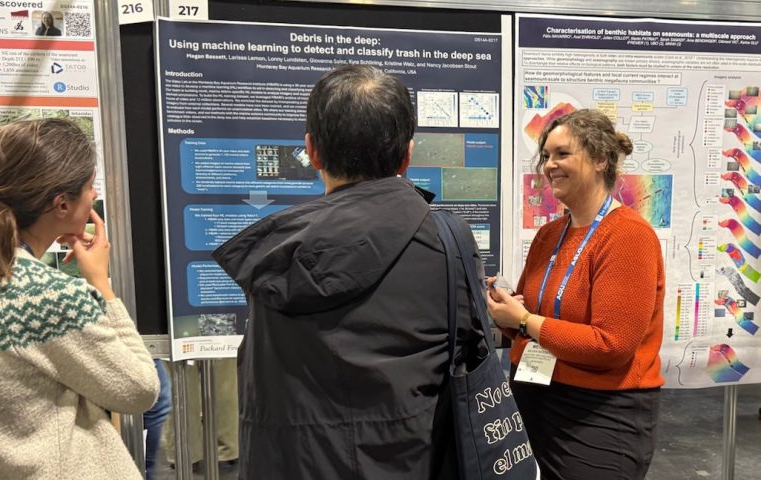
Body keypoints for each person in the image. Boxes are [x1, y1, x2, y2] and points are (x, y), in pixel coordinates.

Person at [212, 65, 481, 479]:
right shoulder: (447, 240)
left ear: (312, 151)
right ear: (408, 155)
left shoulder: (274, 251)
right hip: (414, 460)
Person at [0, 118, 160, 479]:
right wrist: (101, 286)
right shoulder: (50, 297)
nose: (94, 196)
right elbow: (139, 390)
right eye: (90, 186)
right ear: (61, 205)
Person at [487, 109, 664, 480]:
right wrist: (507, 313)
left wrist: (523, 320)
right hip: (535, 396)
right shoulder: (550, 235)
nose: (550, 165)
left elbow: (611, 344)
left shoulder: (628, 236)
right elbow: (532, 322)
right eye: (546, 156)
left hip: (599, 415)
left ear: (601, 160)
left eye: (562, 154)